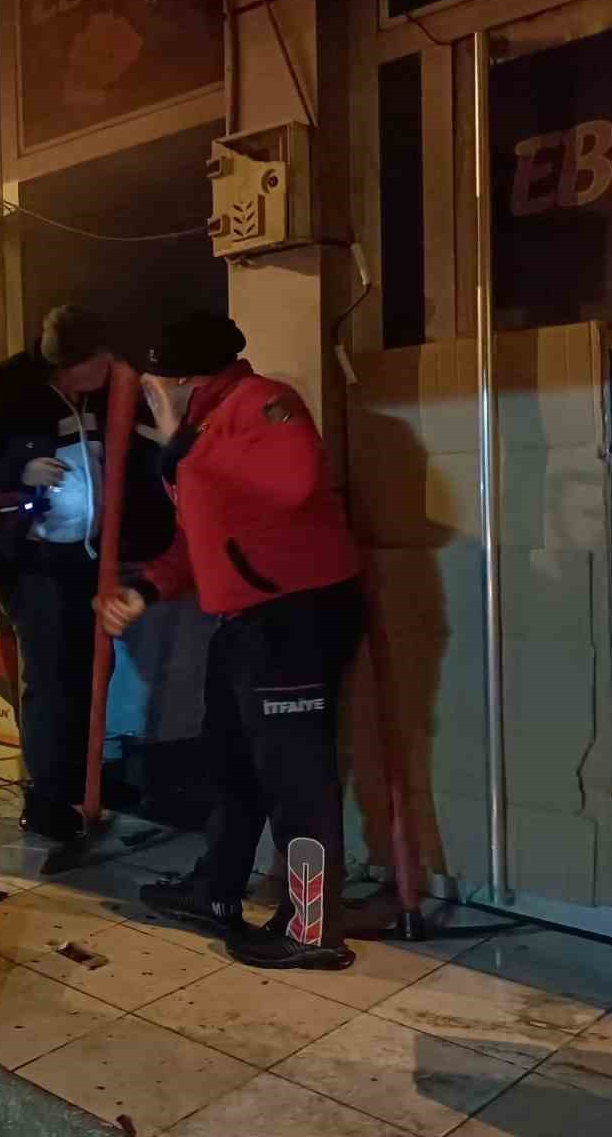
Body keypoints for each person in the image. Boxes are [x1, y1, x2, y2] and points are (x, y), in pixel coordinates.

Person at [96, 312, 364, 972]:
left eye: (159, 382)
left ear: (187, 377)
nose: (152, 394)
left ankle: (312, 925)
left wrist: (187, 450)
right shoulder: (201, 433)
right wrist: (150, 589)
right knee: (232, 763)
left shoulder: (265, 404)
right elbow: (201, 537)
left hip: (294, 618)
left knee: (296, 780)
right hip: (245, 620)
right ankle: (215, 889)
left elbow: (296, 479)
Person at [0, 304, 112, 842]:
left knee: (86, 671)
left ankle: (79, 787)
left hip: (86, 553)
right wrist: (20, 470)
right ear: (70, 365)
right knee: (48, 673)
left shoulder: (103, 391)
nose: (106, 370)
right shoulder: (6, 388)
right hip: (28, 555)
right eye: (96, 363)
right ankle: (45, 798)